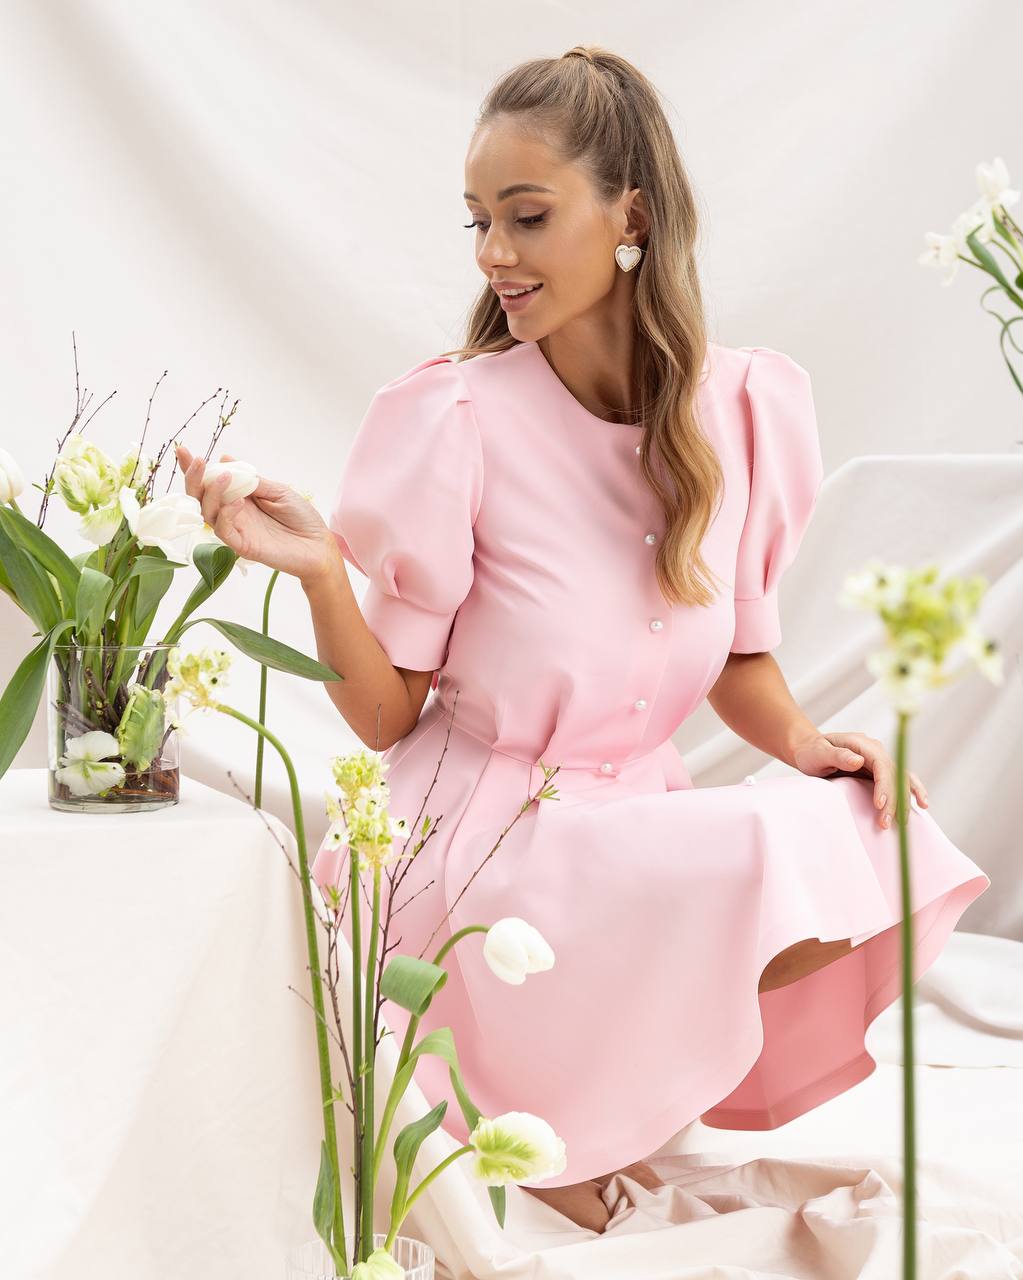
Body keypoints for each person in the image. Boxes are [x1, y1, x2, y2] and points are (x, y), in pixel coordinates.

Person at [175, 45, 990, 1236]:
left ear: (631, 217)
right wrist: (316, 572)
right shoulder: (457, 416)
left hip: (630, 819)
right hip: (484, 843)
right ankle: (534, 1099)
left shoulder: (738, 409)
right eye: (479, 222)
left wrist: (815, 746)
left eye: (526, 216)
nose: (494, 253)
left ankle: (605, 1087)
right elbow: (388, 715)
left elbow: (742, 658)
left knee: (869, 824)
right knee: (759, 847)